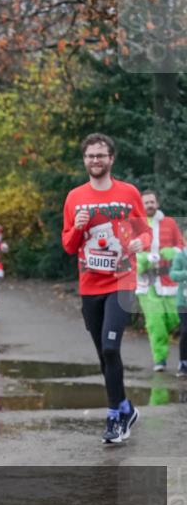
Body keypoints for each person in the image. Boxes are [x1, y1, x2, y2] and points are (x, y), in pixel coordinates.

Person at [62, 132, 151, 444]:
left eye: (101, 155)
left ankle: (115, 417)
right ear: (84, 160)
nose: (95, 160)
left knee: (111, 347)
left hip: (122, 281)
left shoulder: (128, 192)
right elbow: (69, 245)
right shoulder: (74, 197)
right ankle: (126, 407)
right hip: (90, 285)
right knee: (103, 354)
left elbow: (145, 231)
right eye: (90, 156)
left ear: (111, 159)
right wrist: (79, 225)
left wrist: (142, 241)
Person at [134, 190, 184, 372]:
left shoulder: (169, 223)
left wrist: (171, 253)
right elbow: (129, 252)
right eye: (145, 202)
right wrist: (146, 258)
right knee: (156, 323)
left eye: (151, 202)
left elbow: (181, 246)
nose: (149, 205)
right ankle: (160, 360)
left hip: (169, 282)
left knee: (175, 318)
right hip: (147, 283)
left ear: (157, 203)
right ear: (141, 205)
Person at [170, 245, 187, 378]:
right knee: (185, 331)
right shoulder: (181, 256)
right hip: (183, 302)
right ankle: (183, 363)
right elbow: (173, 274)